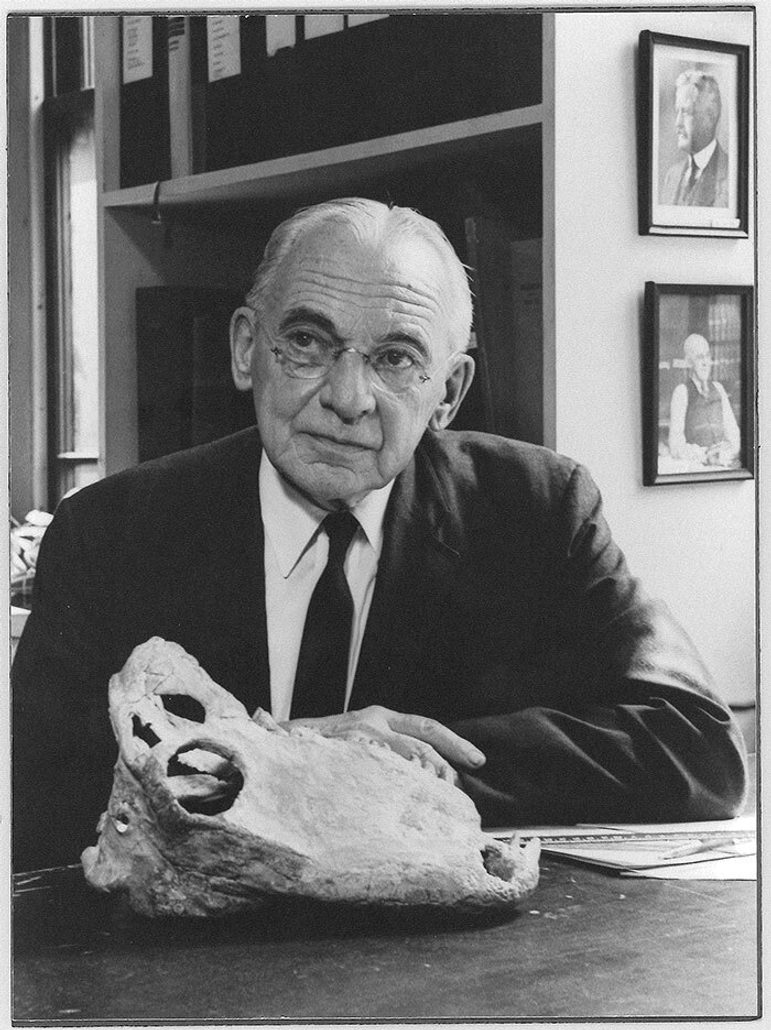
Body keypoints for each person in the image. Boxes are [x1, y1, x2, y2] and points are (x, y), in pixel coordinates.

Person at [12, 198, 747, 871]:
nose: (346, 398)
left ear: (448, 394)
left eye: (396, 358)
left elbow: (698, 751)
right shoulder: (110, 531)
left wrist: (409, 763)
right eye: (306, 342)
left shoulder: (537, 508)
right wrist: (284, 759)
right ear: (244, 349)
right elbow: (32, 794)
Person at [668, 333, 741, 467]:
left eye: (707, 356)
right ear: (689, 362)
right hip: (696, 468)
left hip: (723, 464)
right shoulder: (682, 392)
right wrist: (704, 455)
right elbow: (675, 445)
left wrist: (726, 453)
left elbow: (734, 435)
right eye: (700, 357)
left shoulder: (719, 389)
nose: (705, 363)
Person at [660, 69, 728, 208]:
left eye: (686, 112)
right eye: (677, 111)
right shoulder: (672, 176)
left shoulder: (731, 176)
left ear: (710, 117)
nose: (677, 123)